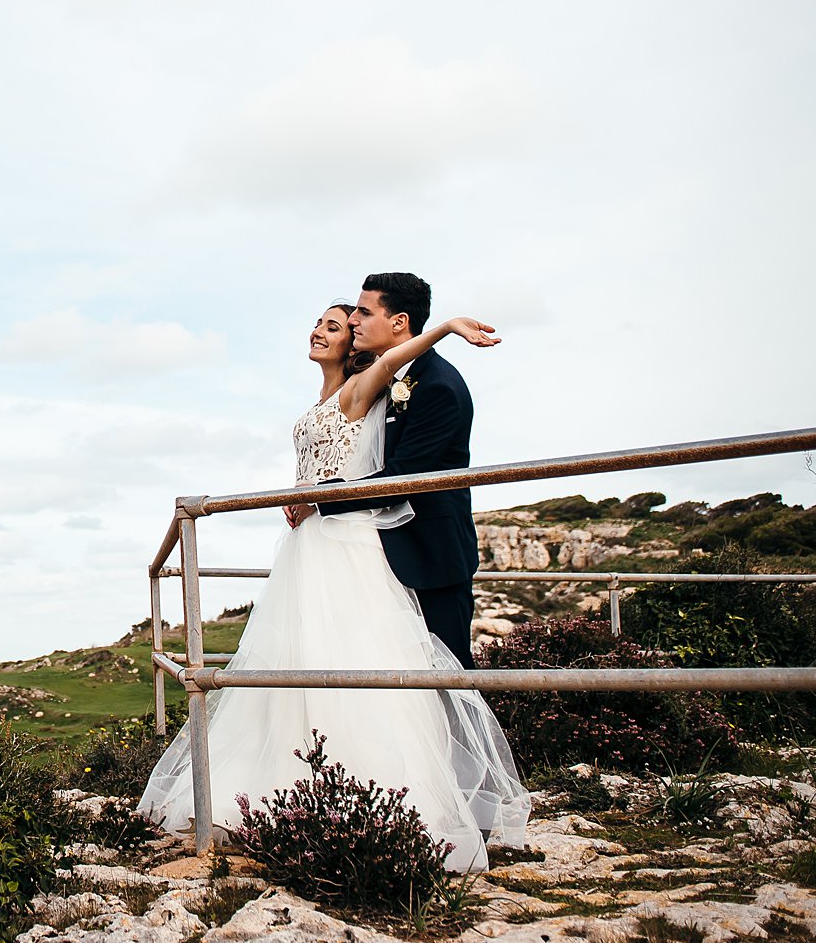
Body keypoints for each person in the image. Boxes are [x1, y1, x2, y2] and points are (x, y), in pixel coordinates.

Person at [135, 288, 528, 868]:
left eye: (337, 324)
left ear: (353, 343)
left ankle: (371, 795)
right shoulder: (322, 397)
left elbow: (396, 361)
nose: (321, 331)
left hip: (343, 543)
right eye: (318, 322)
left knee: (344, 652)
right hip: (305, 545)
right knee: (290, 662)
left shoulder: (360, 387)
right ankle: (278, 786)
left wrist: (444, 328)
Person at [308, 271, 482, 669]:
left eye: (364, 313)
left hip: (430, 558)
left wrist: (318, 499)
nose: (354, 321)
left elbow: (402, 478)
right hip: (379, 554)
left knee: (447, 681)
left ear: (399, 322)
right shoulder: (390, 379)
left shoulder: (438, 386)